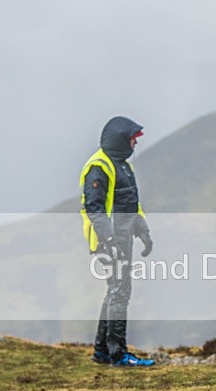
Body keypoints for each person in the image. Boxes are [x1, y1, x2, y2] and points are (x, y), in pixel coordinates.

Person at [79, 116, 155, 367]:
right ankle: (117, 354)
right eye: (133, 139)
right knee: (119, 293)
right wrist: (108, 240)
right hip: (108, 243)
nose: (135, 144)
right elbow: (94, 208)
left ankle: (102, 351)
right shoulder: (98, 167)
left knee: (115, 292)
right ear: (121, 140)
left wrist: (143, 232)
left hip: (122, 241)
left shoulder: (122, 165)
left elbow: (132, 204)